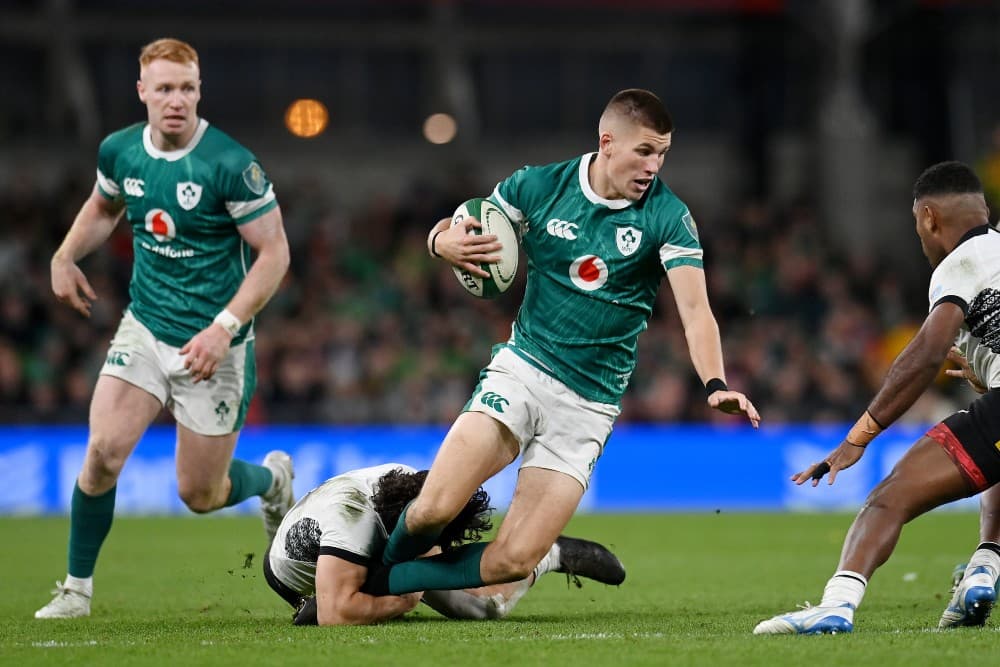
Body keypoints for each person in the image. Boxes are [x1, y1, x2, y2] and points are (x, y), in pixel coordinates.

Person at [360, 88, 759, 600]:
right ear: (608, 142)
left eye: (662, 154)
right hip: (522, 371)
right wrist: (440, 242)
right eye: (645, 151)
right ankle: (369, 585)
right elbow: (467, 220)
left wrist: (715, 383)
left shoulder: (668, 216)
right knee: (434, 507)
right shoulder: (538, 186)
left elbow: (697, 313)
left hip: (588, 407)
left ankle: (529, 558)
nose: (654, 166)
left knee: (508, 567)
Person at [36, 37, 293, 619]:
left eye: (187, 88)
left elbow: (274, 254)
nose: (176, 100)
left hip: (214, 344)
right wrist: (63, 256)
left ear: (199, 92)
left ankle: (273, 480)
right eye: (165, 88)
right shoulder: (120, 150)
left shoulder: (232, 165)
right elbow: (104, 206)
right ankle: (76, 589)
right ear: (142, 92)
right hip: (146, 328)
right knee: (101, 452)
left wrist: (225, 327)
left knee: (200, 495)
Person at [753, 161, 1000, 636]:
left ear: (929, 218)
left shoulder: (960, 263)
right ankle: (985, 567)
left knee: (887, 500)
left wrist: (860, 434)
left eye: (917, 226)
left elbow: (925, 355)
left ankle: (836, 605)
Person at [265, 463, 626, 625]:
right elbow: (335, 616)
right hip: (291, 572)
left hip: (343, 538)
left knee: (481, 607)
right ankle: (549, 554)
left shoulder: (405, 484)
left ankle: (546, 553)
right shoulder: (351, 523)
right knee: (345, 602)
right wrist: (401, 601)